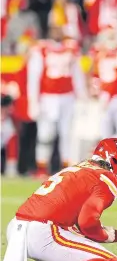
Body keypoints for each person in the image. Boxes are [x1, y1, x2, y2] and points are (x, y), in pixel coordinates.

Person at [2, 138, 117, 261]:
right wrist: (105, 236)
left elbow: (81, 229)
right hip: (42, 233)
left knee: (74, 233)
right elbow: (88, 224)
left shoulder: (81, 168)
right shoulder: (105, 178)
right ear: (116, 160)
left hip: (17, 228)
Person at [27, 26, 87, 178]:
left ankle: (66, 166)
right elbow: (34, 77)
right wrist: (33, 101)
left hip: (67, 97)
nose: (57, 31)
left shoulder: (71, 48)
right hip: (48, 97)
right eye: (54, 28)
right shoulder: (41, 49)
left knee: (67, 133)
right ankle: (42, 166)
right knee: (45, 133)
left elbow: (78, 74)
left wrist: (82, 96)